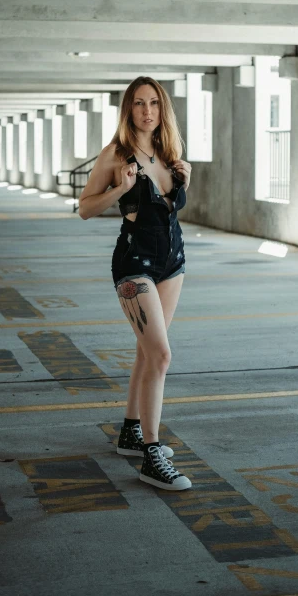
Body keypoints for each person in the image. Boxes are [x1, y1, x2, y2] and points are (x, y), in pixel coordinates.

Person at [78, 76, 192, 491]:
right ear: (128, 110)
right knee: (160, 355)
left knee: (147, 353)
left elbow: (169, 209)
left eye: (155, 104)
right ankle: (152, 455)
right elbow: (85, 208)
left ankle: (131, 431)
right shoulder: (116, 154)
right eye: (140, 104)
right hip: (134, 265)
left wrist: (185, 180)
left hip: (173, 263)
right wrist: (121, 188)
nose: (148, 111)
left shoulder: (169, 152)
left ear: (163, 110)